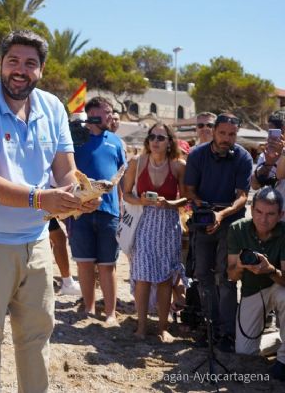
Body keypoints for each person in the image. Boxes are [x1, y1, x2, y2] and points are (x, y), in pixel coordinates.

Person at [0, 29, 99, 393]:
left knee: (37, 336)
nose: (20, 70)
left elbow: (65, 170)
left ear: (42, 69)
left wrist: (82, 194)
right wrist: (41, 199)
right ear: (0, 64)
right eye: (13, 62)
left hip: (37, 241)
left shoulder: (53, 107)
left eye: (30, 64)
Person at [184, 112, 253, 352]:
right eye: (222, 133)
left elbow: (242, 196)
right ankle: (210, 328)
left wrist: (221, 215)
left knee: (226, 279)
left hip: (231, 224)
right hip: (202, 221)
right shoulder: (197, 155)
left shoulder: (243, 157)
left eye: (231, 134)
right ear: (213, 131)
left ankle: (227, 334)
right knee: (202, 275)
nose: (226, 138)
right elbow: (189, 190)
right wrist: (204, 208)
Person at [122, 123, 187, 342]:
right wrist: (140, 200)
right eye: (152, 137)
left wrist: (169, 203)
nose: (156, 141)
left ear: (170, 141)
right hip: (144, 221)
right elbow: (126, 194)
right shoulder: (137, 162)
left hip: (168, 224)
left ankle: (162, 327)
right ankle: (141, 326)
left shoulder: (178, 165)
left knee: (165, 279)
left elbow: (186, 199)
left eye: (161, 137)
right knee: (142, 276)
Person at [66, 96, 127, 324]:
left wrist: (120, 210)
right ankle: (88, 308)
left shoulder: (116, 141)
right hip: (80, 211)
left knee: (107, 264)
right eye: (106, 112)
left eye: (111, 112)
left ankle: (110, 312)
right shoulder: (75, 139)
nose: (110, 116)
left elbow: (120, 178)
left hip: (109, 212)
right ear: (92, 114)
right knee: (84, 262)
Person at [227, 186, 285, 381]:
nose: (263, 218)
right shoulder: (238, 228)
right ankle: (280, 340)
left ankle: (283, 360)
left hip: (278, 286)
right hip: (252, 290)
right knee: (244, 352)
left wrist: (270, 270)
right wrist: (241, 267)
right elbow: (232, 276)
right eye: (259, 212)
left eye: (270, 214)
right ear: (251, 210)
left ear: (280, 215)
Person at [252, 111, 285, 190]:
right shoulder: (265, 155)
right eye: (270, 132)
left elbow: (280, 175)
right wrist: (268, 164)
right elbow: (254, 186)